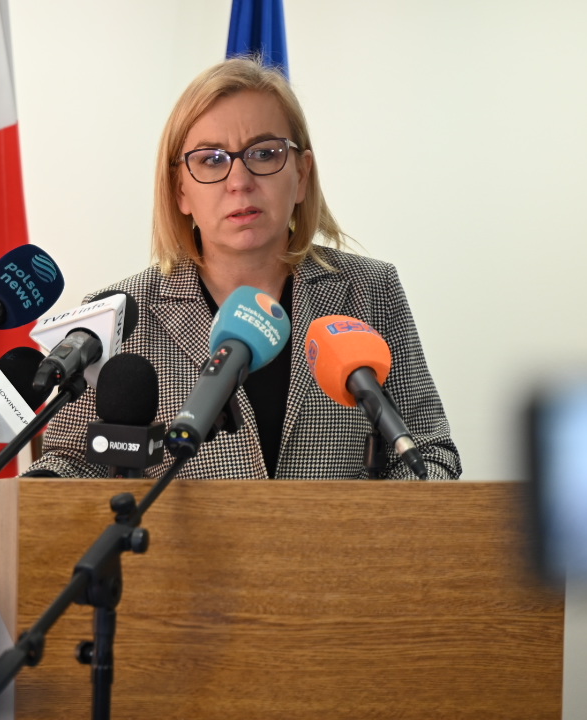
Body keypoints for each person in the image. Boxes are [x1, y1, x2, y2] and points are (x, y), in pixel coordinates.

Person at [31, 57, 460, 481]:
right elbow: (71, 464)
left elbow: (429, 451)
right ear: (180, 191)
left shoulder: (371, 289)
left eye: (265, 153)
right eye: (211, 159)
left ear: (302, 175)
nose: (239, 181)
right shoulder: (119, 314)